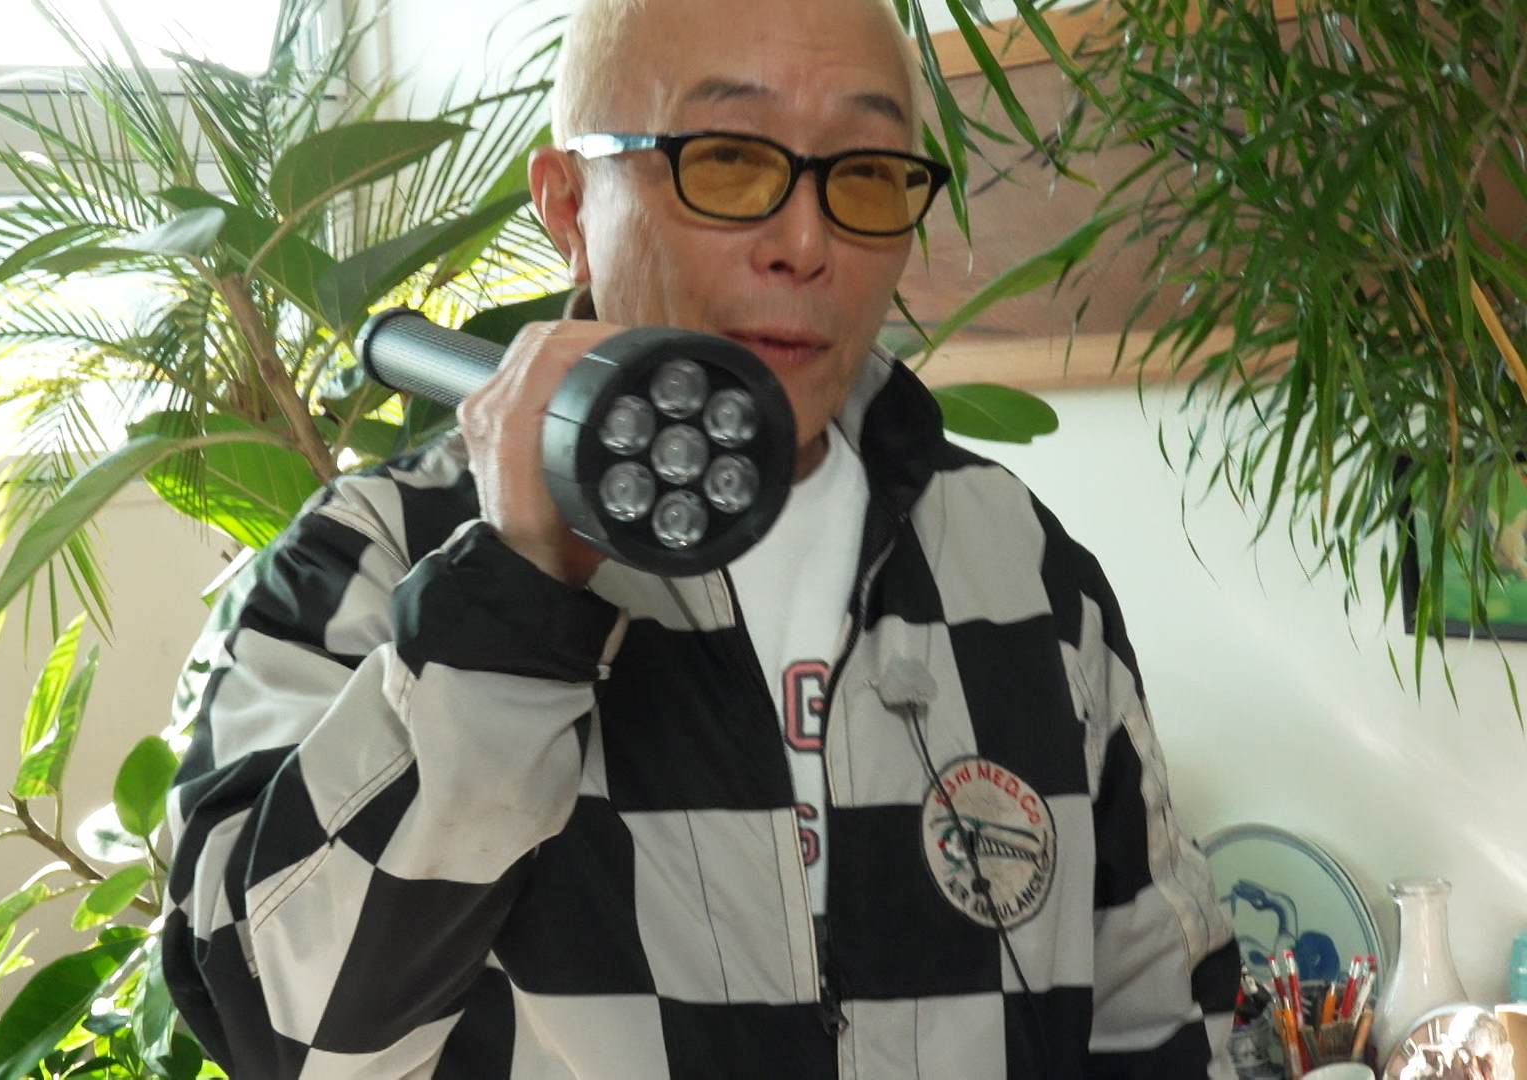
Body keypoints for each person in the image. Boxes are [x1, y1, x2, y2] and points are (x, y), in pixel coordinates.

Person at [161, 0, 1240, 1073]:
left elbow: (1160, 1015)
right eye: (727, 160)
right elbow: (284, 1033)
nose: (806, 243)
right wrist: (512, 601)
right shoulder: (365, 563)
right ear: (569, 205)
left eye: (866, 172)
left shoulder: (1017, 563)